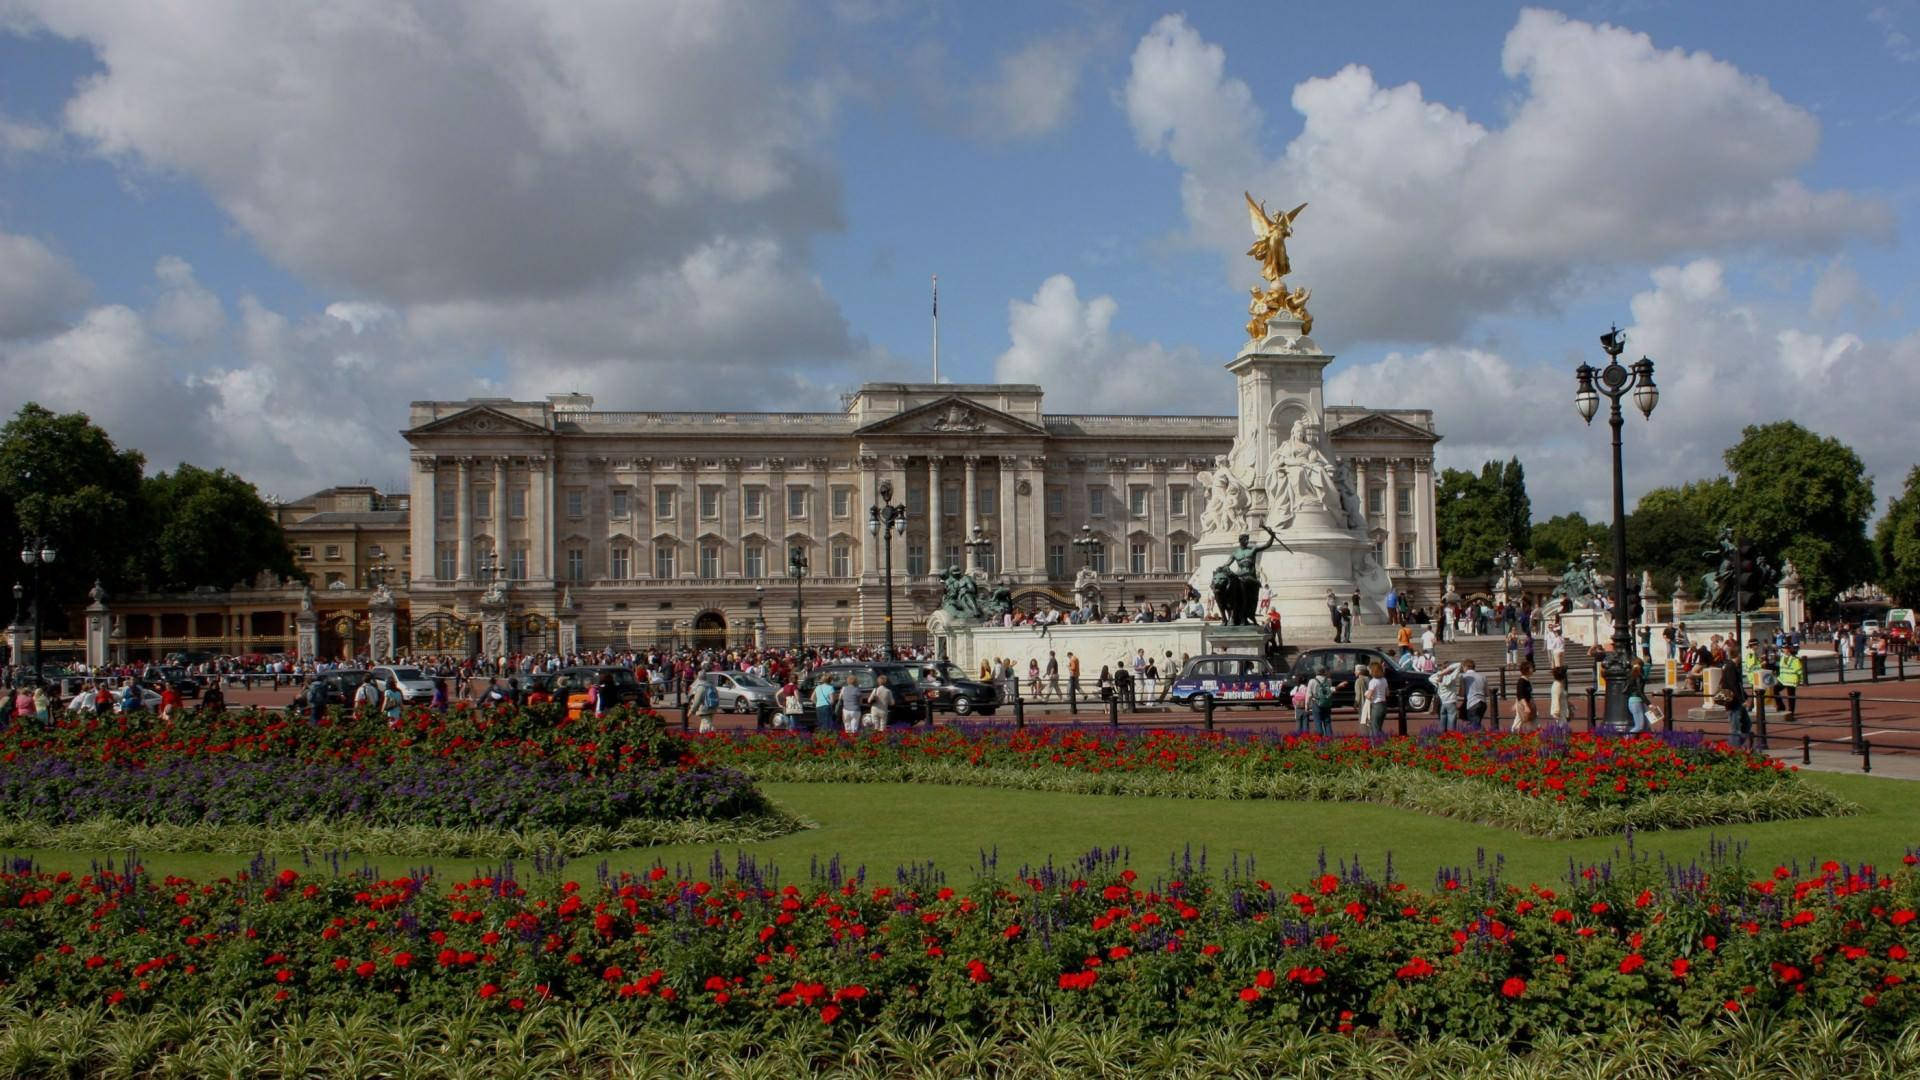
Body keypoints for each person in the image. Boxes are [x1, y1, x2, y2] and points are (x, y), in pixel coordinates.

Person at [1720, 651, 1749, 748]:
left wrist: (1745, 696)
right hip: (1733, 701)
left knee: (1746, 723)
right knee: (1735, 726)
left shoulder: (1733, 666)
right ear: (1738, 656)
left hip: (1737, 700)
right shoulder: (1730, 667)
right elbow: (1733, 685)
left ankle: (1739, 743)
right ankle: (1734, 748)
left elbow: (1738, 685)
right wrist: (1742, 699)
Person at [1432, 661, 1462, 733]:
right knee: (1452, 720)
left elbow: (1430, 678)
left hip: (1443, 702)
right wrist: (1445, 671)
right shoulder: (1451, 677)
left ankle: (1442, 736)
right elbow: (1459, 664)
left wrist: (1440, 673)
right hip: (1451, 701)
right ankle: (1451, 736)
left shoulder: (1438, 678)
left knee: (1443, 720)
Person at [1362, 660, 1389, 735]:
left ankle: (1377, 744)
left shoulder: (1373, 681)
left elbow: (1369, 696)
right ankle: (1384, 741)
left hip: (1376, 705)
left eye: (1370, 669)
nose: (1369, 671)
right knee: (1379, 727)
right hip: (1383, 705)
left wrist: (1366, 693)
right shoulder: (1384, 680)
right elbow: (1387, 693)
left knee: (1374, 727)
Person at [1776, 643, 1803, 718]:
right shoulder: (1782, 657)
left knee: (1791, 696)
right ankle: (1781, 706)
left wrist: (1801, 680)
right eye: (1783, 648)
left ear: (1789, 649)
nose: (1784, 650)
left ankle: (1791, 712)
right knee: (1774, 690)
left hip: (1791, 680)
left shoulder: (1795, 660)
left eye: (1785, 648)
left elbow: (1800, 671)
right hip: (1783, 679)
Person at [1511, 660, 1537, 733]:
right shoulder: (1521, 681)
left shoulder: (1527, 680)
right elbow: (1521, 695)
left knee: (1529, 721)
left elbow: (1520, 694)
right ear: (1527, 669)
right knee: (1518, 722)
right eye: (1531, 668)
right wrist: (1525, 706)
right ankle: (1512, 735)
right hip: (1523, 705)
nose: (1532, 669)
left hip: (1527, 704)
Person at [1461, 659, 1487, 731]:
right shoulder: (1482, 676)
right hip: (1483, 702)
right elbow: (1487, 693)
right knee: (1477, 722)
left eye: (1463, 667)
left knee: (1474, 725)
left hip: (1472, 702)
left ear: (1466, 667)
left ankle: (1478, 738)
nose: (1463, 669)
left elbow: (1462, 693)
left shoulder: (1464, 676)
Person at [1624, 658, 1649, 734]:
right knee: (1639, 726)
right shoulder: (1638, 677)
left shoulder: (1630, 675)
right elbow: (1639, 691)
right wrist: (1649, 704)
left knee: (1645, 726)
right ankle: (1626, 739)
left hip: (1633, 701)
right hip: (1637, 701)